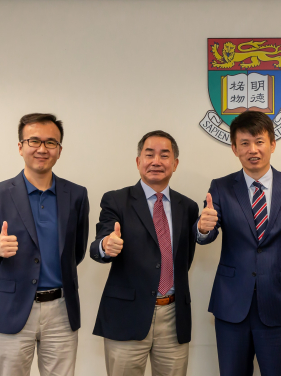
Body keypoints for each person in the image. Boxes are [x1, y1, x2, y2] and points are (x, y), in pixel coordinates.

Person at [195, 111, 281, 376]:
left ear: (272, 144)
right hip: (231, 304)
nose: (253, 149)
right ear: (234, 148)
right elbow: (208, 232)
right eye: (245, 143)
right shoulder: (221, 187)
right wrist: (203, 229)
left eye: (259, 142)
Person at [0, 113, 90, 376]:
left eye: (50, 143)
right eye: (34, 141)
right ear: (20, 146)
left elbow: (76, 250)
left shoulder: (77, 194)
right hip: (13, 308)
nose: (42, 149)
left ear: (59, 150)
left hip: (61, 309)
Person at [90, 130, 199, 376]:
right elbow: (98, 244)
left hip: (173, 316)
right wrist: (106, 245)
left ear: (175, 164)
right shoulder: (116, 200)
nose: (156, 161)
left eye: (164, 155)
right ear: (138, 161)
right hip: (127, 315)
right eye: (149, 155)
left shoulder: (188, 207)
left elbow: (186, 258)